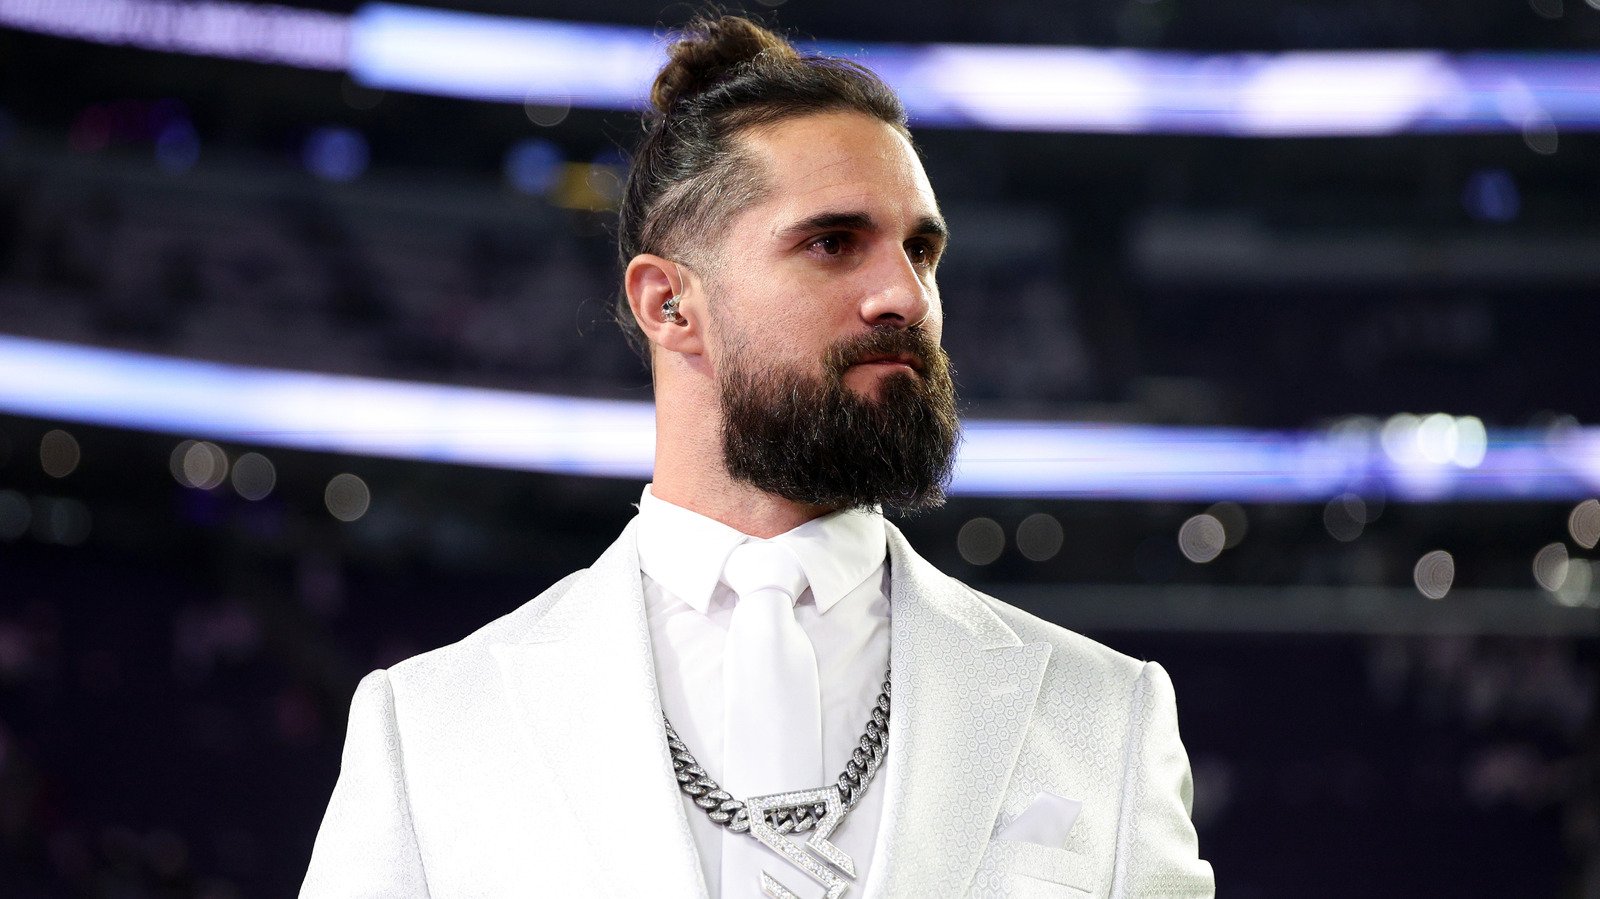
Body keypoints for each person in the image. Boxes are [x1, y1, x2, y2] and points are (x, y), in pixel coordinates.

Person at [302, 15, 1214, 899]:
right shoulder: (429, 730)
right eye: (833, 243)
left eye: (921, 250)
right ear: (668, 305)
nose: (905, 294)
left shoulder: (1107, 718)